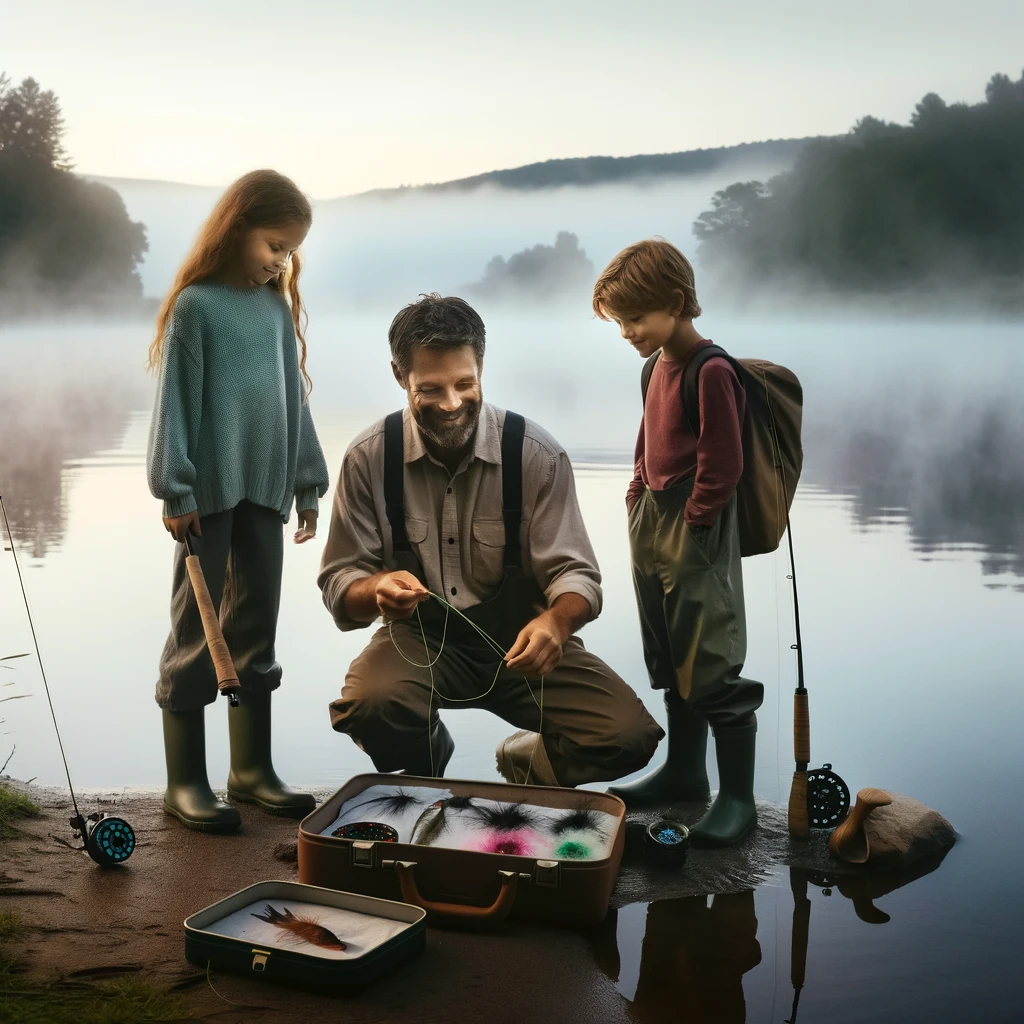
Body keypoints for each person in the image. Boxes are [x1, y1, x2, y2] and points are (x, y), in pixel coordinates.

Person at [318, 293, 662, 787]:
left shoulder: (537, 454)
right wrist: (374, 590)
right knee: (367, 707)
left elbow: (577, 574)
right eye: (430, 389)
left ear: (482, 367)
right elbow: (338, 582)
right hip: (420, 644)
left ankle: (531, 763)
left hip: (523, 647)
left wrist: (557, 624)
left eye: (465, 384)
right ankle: (428, 755)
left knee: (628, 737)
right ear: (399, 376)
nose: (452, 404)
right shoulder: (367, 458)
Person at [147, 169, 329, 831]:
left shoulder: (275, 308)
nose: (280, 261)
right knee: (198, 632)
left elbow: (291, 400)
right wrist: (177, 487)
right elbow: (174, 409)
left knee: (256, 625)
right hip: (206, 496)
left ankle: (250, 771)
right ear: (237, 227)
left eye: (289, 252)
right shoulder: (196, 307)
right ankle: (185, 782)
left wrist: (307, 477)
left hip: (265, 492)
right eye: (273, 245)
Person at [593, 238, 764, 846]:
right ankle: (686, 774)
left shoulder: (712, 369)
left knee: (710, 660)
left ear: (674, 302)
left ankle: (737, 797)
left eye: (634, 318)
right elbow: (647, 440)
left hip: (696, 528)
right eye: (619, 321)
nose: (626, 331)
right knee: (667, 652)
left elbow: (724, 462)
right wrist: (637, 492)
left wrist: (695, 519)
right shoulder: (654, 365)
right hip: (650, 523)